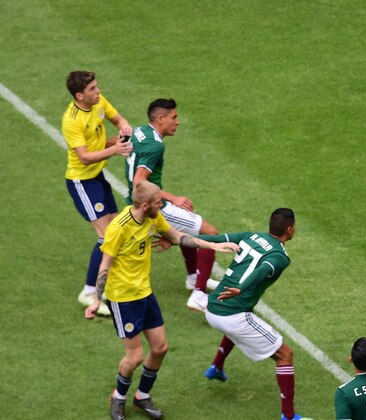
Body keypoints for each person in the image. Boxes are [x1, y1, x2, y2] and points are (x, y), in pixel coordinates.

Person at [85, 181, 239, 420]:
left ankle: (142, 397)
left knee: (160, 348)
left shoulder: (152, 218)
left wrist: (214, 245)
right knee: (134, 356)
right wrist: (97, 299)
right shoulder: (119, 228)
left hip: (145, 293)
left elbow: (179, 237)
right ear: (145, 205)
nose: (162, 205)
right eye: (158, 202)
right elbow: (105, 265)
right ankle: (119, 396)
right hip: (123, 299)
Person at [195, 208, 312, 420]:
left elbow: (215, 238)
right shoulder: (280, 256)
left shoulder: (251, 236)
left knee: (244, 320)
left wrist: (177, 239)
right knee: (285, 354)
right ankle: (288, 416)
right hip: (232, 315)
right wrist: (242, 287)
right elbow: (264, 269)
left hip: (212, 307)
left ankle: (216, 366)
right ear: (290, 229)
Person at [124, 98, 222, 312]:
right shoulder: (155, 145)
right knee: (209, 233)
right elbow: (139, 183)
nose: (177, 122)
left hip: (140, 205)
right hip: (153, 206)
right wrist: (173, 198)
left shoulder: (140, 131)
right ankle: (198, 295)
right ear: (160, 119)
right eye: (174, 117)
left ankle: (194, 278)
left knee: (187, 227)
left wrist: (100, 146)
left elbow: (121, 140)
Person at [62, 70, 133, 316]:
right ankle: (89, 292)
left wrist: (125, 129)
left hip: (98, 176)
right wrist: (114, 149)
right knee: (106, 237)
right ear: (80, 95)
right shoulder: (72, 120)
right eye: (93, 89)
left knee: (115, 231)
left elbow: (118, 119)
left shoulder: (98, 102)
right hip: (82, 181)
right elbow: (83, 157)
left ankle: (108, 283)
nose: (98, 91)